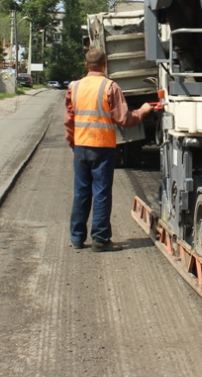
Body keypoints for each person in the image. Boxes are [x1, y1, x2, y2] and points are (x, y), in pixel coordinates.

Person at [65, 48, 155, 251]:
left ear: (86, 65)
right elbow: (124, 119)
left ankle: (77, 238)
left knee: (81, 192)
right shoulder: (110, 87)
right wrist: (144, 110)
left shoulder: (75, 88)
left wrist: (74, 145)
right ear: (104, 64)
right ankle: (100, 239)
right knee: (102, 192)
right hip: (102, 149)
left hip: (81, 148)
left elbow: (68, 121)